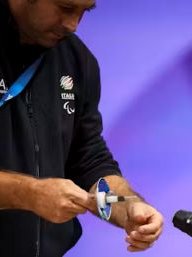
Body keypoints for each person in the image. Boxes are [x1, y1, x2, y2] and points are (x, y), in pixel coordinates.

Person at [0, 0, 163, 256]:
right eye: (65, 7)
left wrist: (128, 206)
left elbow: (88, 160)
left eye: (84, 11)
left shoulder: (78, 60)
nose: (73, 25)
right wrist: (27, 193)